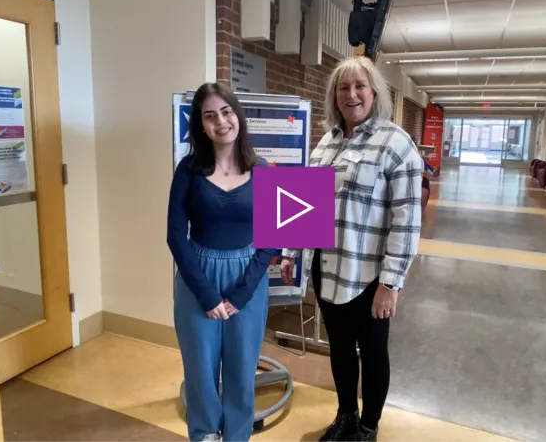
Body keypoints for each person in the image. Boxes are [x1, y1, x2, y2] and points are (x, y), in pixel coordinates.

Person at [280, 56, 423, 442]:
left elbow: (406, 220)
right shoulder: (326, 142)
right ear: (334, 96)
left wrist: (391, 284)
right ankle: (345, 413)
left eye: (360, 85)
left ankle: (367, 427)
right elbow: (304, 205)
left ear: (374, 92)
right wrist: (292, 253)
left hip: (368, 276)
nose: (352, 94)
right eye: (343, 88)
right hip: (327, 271)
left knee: (373, 354)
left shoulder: (396, 143)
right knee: (341, 350)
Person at [167, 82, 276, 442]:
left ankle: (237, 437)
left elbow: (271, 239)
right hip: (198, 277)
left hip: (248, 278)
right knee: (200, 371)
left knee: (242, 371)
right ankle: (204, 435)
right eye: (209, 116)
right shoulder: (188, 170)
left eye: (226, 112)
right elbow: (174, 235)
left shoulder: (263, 171)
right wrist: (207, 295)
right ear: (200, 124)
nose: (221, 122)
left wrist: (241, 295)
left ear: (238, 116)